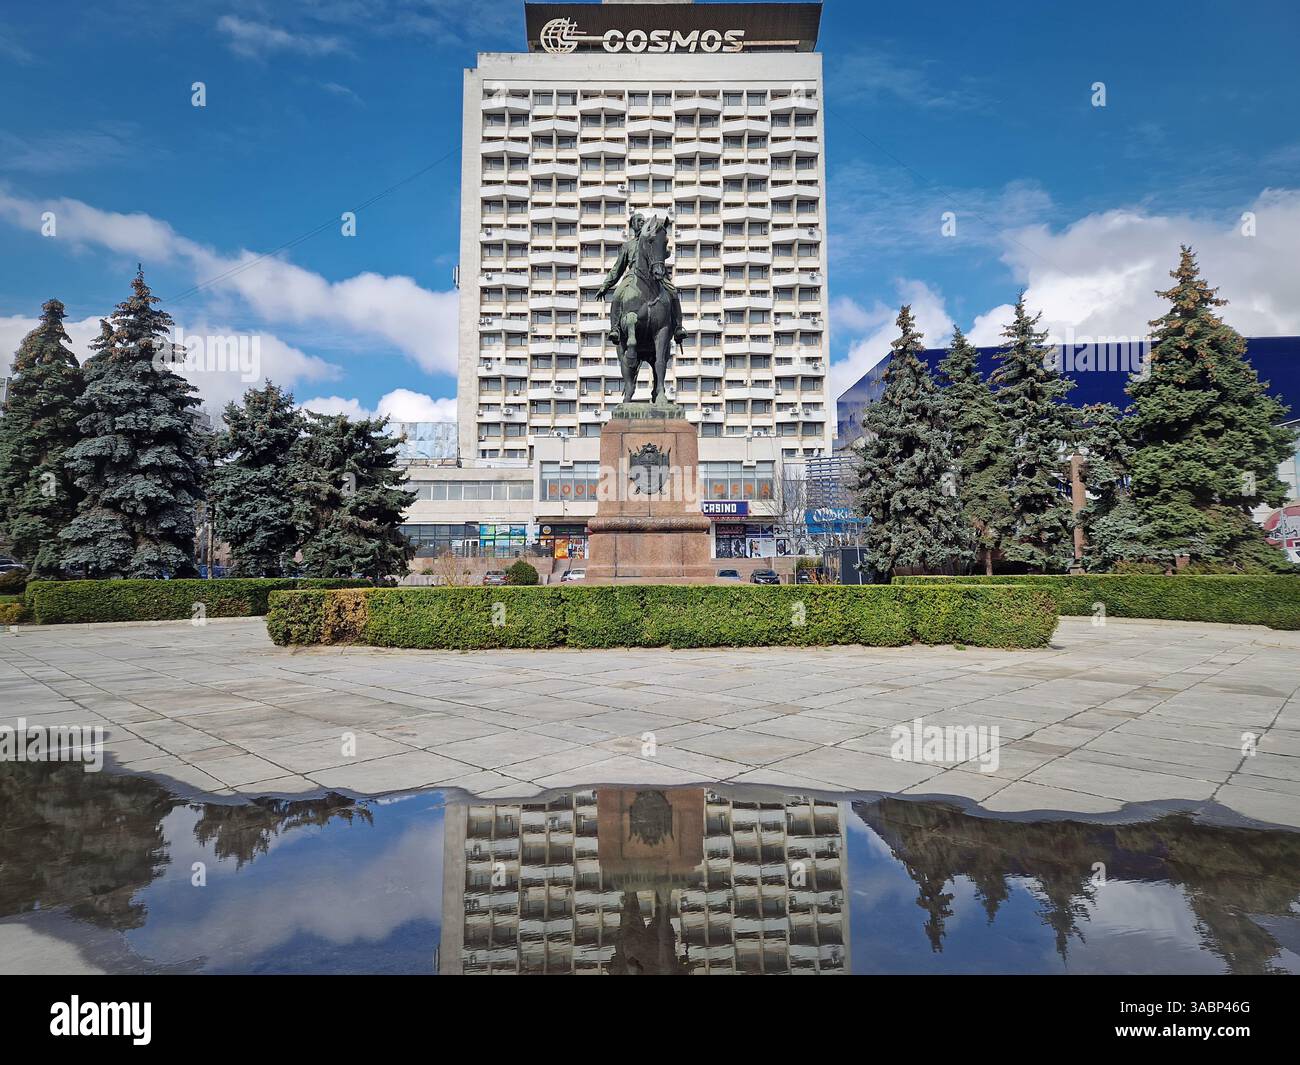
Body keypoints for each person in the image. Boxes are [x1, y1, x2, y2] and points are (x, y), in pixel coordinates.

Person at [594, 212, 686, 347]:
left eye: (643, 220)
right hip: (633, 275)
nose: (641, 222)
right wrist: (605, 285)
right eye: (638, 220)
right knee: (618, 294)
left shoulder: (652, 239)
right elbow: (617, 268)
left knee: (672, 291)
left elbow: (663, 253)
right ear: (632, 226)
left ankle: (678, 327)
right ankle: (615, 328)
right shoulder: (628, 246)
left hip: (656, 274)